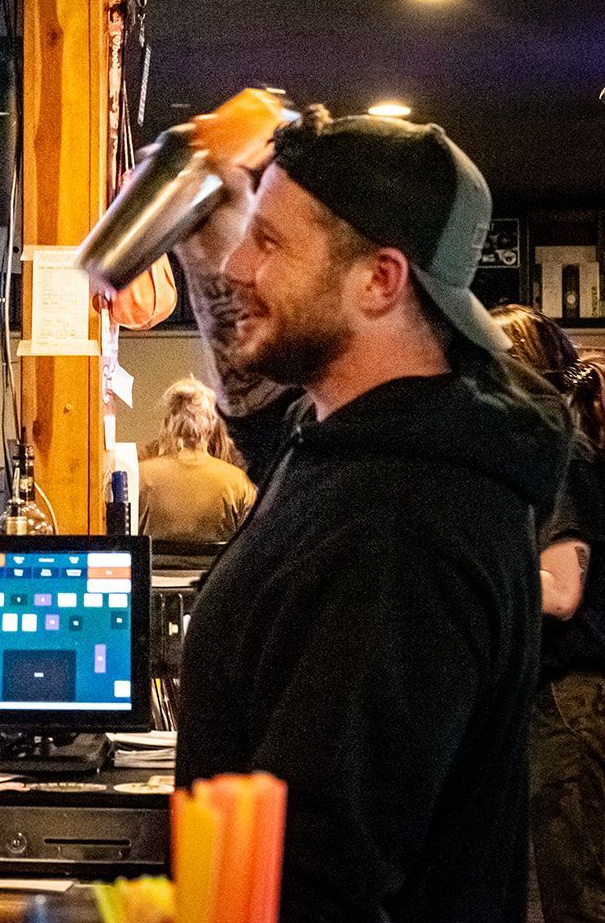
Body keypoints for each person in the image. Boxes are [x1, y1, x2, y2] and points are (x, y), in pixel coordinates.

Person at [170, 107, 569, 923]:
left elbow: (317, 873)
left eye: (269, 241)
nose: (240, 262)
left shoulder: (410, 525)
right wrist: (204, 230)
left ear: (380, 280)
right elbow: (257, 410)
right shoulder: (352, 442)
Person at [492, 305, 605, 923]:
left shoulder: (563, 456)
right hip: (566, 698)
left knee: (578, 895)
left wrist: (480, 574)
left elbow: (561, 592)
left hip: (569, 699)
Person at [137, 377, 255, 544]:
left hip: (152, 562)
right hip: (217, 562)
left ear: (167, 423)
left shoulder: (138, 476)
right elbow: (250, 543)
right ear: (211, 426)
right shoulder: (239, 482)